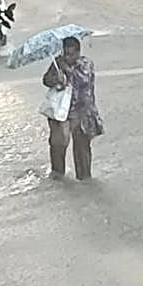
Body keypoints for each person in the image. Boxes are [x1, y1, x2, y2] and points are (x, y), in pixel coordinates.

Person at [42, 36, 102, 180]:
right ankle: (58, 175)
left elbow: (83, 80)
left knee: (82, 150)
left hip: (82, 113)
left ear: (78, 53)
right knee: (58, 145)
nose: (67, 57)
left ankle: (85, 179)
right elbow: (46, 80)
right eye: (65, 53)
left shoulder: (86, 64)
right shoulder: (57, 63)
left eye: (70, 54)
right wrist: (56, 79)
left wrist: (66, 71)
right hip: (62, 113)